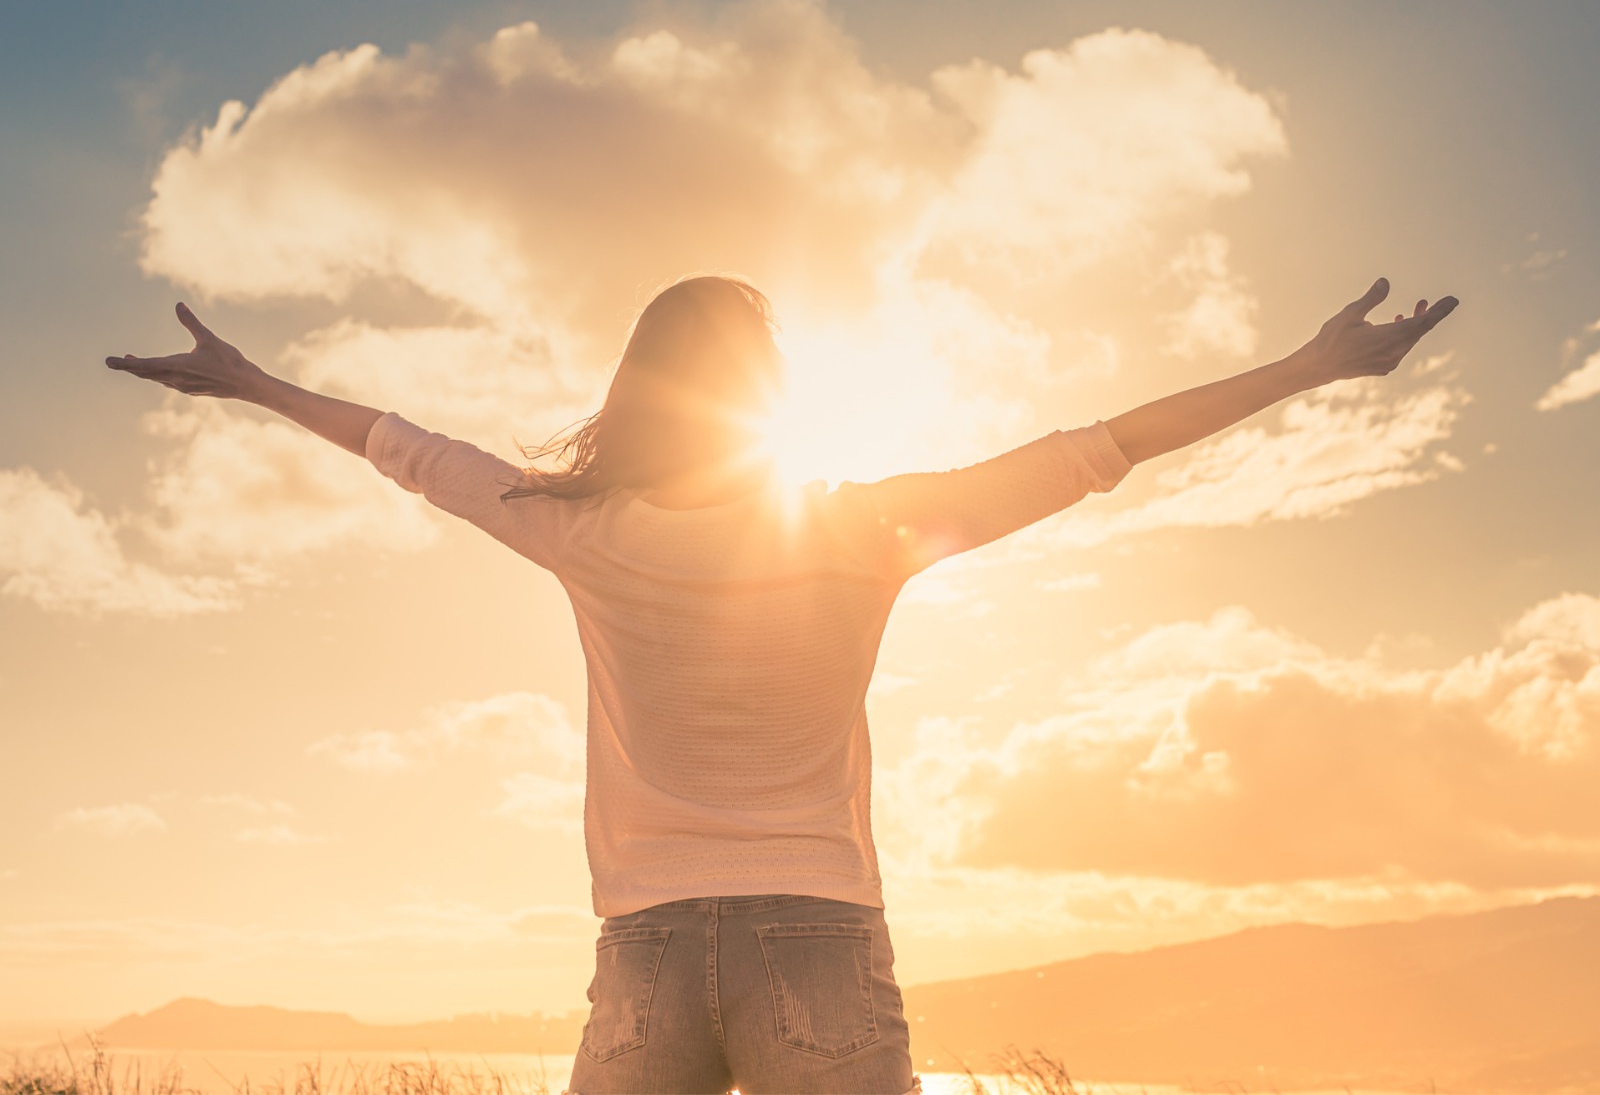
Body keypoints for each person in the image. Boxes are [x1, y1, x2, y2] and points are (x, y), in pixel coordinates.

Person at [107, 274, 1457, 1094]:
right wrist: (1305, 367)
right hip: (818, 940)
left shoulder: (580, 526)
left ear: (642, 386)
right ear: (769, 395)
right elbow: (1098, 447)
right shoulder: (862, 529)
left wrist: (253, 383)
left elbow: (405, 446)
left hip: (644, 953)